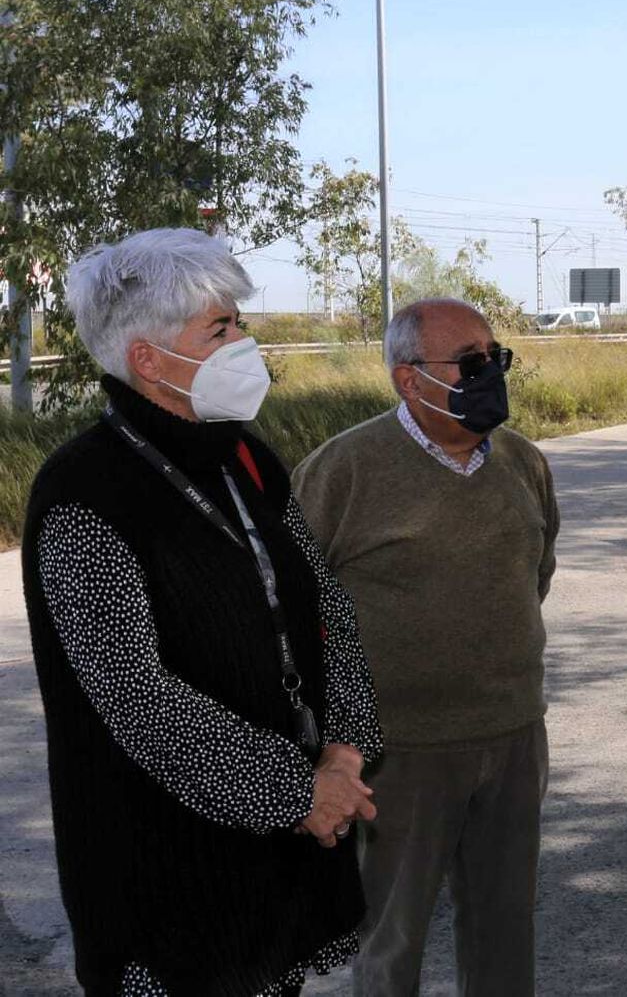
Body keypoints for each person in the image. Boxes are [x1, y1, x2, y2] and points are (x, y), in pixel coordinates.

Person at [21, 228, 382, 996]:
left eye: (237, 323)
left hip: (280, 874)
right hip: (166, 891)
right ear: (148, 361)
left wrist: (346, 751)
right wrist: (297, 792)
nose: (244, 342)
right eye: (220, 329)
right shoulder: (84, 494)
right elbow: (138, 698)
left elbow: (326, 609)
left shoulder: (244, 457)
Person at [292, 298, 559, 995]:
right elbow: (292, 605)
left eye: (494, 358)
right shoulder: (343, 470)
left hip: (513, 739)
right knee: (392, 938)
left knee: (506, 933)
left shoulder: (525, 461)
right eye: (469, 362)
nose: (489, 373)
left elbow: (537, 574)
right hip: (395, 753)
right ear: (409, 379)